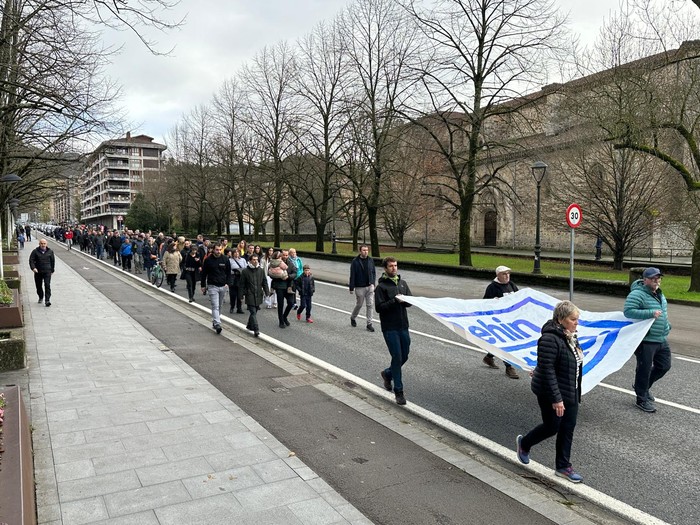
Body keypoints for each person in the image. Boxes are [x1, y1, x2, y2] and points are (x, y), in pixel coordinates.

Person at [516, 300, 584, 483]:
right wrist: (556, 399)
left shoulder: (570, 335)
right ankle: (525, 443)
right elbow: (548, 370)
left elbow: (569, 362)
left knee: (568, 427)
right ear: (561, 319)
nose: (577, 323)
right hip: (550, 392)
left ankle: (563, 466)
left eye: (577, 319)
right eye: (573, 319)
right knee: (552, 426)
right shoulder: (549, 338)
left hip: (570, 390)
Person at [623, 267, 672, 413]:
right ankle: (641, 398)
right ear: (645, 280)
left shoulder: (659, 294)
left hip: (661, 337)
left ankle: (643, 387)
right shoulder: (637, 294)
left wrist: (667, 325)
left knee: (664, 366)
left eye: (658, 278)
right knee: (644, 369)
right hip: (646, 340)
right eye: (653, 278)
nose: (656, 280)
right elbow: (628, 311)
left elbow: (663, 312)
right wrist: (650, 313)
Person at [375, 257, 412, 406]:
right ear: (385, 268)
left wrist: (405, 300)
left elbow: (410, 301)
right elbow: (379, 308)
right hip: (390, 328)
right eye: (391, 266)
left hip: (403, 325)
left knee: (405, 356)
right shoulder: (381, 287)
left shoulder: (403, 284)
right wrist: (394, 301)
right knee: (397, 356)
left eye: (395, 266)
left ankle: (387, 373)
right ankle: (399, 391)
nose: (394, 268)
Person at [482, 265, 520, 379]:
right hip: (499, 321)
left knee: (502, 343)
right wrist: (494, 302)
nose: (507, 276)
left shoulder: (512, 285)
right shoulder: (492, 287)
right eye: (504, 274)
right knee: (506, 344)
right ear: (498, 275)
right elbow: (484, 303)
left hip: (511, 319)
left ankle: (489, 357)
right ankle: (509, 367)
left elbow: (518, 298)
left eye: (508, 273)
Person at [200, 243, 231, 334]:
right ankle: (217, 323)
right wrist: (203, 285)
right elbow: (204, 273)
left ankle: (215, 320)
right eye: (217, 249)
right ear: (213, 250)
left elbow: (228, 272)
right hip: (212, 285)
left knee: (220, 305)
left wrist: (228, 283)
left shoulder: (225, 259)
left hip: (223, 285)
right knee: (215, 305)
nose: (218, 251)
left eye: (220, 249)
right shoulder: (208, 260)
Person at [238, 253, 269, 337]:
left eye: (256, 260)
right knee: (253, 312)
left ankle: (249, 325)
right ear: (250, 261)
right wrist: (240, 296)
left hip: (259, 294)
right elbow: (241, 284)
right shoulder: (245, 271)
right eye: (253, 260)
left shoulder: (261, 270)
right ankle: (256, 329)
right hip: (249, 294)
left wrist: (267, 293)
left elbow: (264, 282)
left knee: (255, 311)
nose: (255, 261)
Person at [349, 244, 377, 332]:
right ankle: (353, 317)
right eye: (364, 250)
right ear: (360, 251)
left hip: (369, 286)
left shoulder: (370, 260)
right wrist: (351, 287)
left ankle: (369, 324)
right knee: (359, 304)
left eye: (367, 250)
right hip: (359, 287)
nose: (366, 252)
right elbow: (352, 275)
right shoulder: (355, 261)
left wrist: (373, 283)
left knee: (370, 305)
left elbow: (373, 271)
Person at [29, 238, 55, 307]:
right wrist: (33, 268)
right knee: (38, 286)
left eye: (44, 244)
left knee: (47, 285)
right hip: (38, 272)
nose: (43, 245)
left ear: (46, 244)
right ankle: (40, 296)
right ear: (39, 244)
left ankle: (47, 300)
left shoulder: (50, 252)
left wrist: (52, 270)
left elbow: (52, 261)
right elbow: (31, 260)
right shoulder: (35, 251)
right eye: (42, 243)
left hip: (47, 271)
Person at [226, 248, 247, 314]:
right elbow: (227, 270)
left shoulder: (243, 260)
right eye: (235, 252)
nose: (237, 253)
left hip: (241, 278)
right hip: (233, 278)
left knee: (240, 294)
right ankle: (232, 306)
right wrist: (234, 271)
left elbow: (246, 268)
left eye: (238, 252)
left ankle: (239, 308)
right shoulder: (230, 260)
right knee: (233, 294)